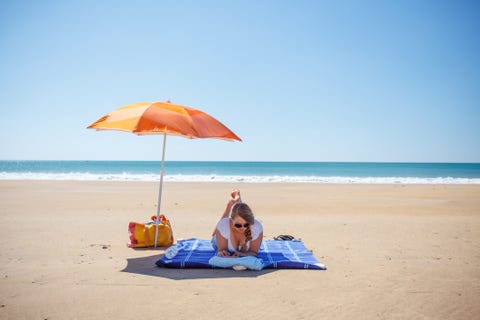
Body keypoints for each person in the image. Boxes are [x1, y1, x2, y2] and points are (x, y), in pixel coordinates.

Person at [212, 190, 263, 257]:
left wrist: (242, 254)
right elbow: (221, 251)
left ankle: (237, 203)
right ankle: (229, 206)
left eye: (246, 225)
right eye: (238, 225)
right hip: (220, 234)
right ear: (231, 220)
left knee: (239, 212)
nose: (243, 228)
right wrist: (222, 253)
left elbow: (254, 253)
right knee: (215, 233)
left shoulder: (256, 227)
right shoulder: (224, 226)